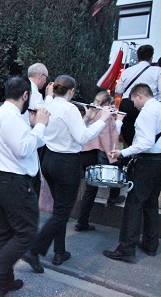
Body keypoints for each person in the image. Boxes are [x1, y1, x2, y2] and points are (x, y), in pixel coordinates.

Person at [23, 75, 112, 273]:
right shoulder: (70, 108)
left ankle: (59, 252)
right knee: (62, 212)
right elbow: (81, 138)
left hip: (49, 160)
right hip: (66, 163)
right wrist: (103, 120)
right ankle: (35, 249)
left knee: (59, 209)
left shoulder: (49, 104)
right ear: (71, 91)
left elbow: (69, 130)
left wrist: (87, 118)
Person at [0, 76, 49, 296]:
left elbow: (29, 143)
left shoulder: (5, 115)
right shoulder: (10, 116)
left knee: (6, 233)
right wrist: (42, 126)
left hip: (1, 181)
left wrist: (37, 128)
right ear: (25, 95)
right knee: (26, 232)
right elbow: (24, 148)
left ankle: (3, 281)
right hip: (11, 183)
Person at [104, 83, 161, 263]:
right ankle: (151, 245)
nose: (133, 106)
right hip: (158, 162)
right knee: (151, 202)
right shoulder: (159, 107)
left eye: (133, 101)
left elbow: (145, 142)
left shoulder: (146, 112)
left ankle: (127, 248)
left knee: (134, 203)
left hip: (146, 162)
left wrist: (123, 152)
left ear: (139, 96)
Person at [75, 91, 126, 232]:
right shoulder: (105, 115)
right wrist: (119, 121)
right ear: (108, 103)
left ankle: (81, 221)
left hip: (84, 153)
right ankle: (112, 199)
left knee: (88, 189)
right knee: (94, 188)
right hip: (97, 154)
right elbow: (107, 137)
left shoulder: (90, 110)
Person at [115, 45, 161, 147]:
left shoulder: (127, 71)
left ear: (137, 57)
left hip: (127, 104)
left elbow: (118, 90)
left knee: (128, 133)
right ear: (151, 57)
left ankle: (131, 152)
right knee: (147, 131)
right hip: (147, 104)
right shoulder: (157, 71)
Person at [26, 63, 51, 196]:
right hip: (32, 136)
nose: (46, 81)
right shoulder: (35, 93)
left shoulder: (23, 87)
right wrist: (49, 97)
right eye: (46, 77)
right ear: (41, 75)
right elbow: (44, 114)